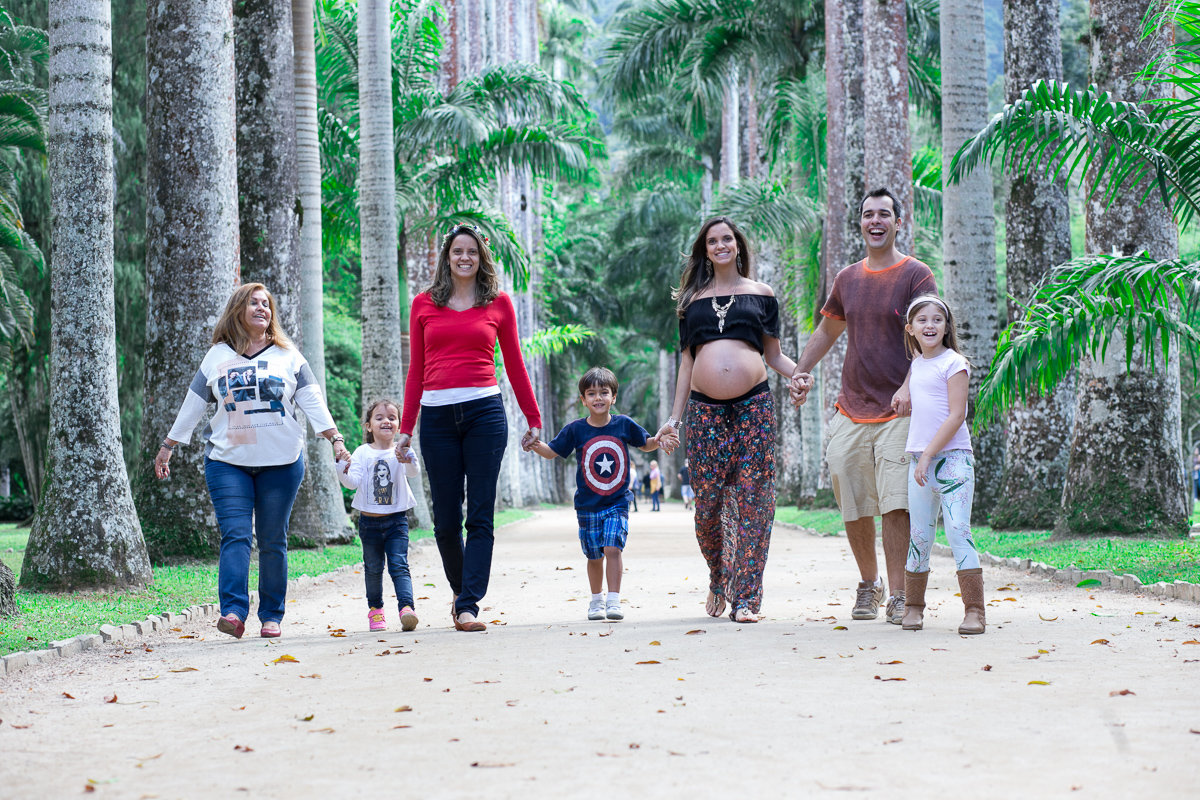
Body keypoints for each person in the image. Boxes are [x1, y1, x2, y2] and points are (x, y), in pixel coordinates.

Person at [154, 284, 350, 640]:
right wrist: (168, 445)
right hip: (228, 462)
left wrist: (335, 440)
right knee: (237, 535)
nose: (262, 309)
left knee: (273, 539)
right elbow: (194, 404)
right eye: (253, 303)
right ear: (238, 310)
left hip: (282, 463)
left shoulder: (288, 356)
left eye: (266, 304)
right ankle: (233, 611)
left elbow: (313, 401)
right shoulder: (217, 356)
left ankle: (271, 615)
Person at [792, 188, 938, 625]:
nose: (876, 221)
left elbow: (929, 336)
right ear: (860, 223)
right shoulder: (847, 279)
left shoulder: (916, 274)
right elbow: (827, 330)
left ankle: (898, 595)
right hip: (851, 407)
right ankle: (868, 584)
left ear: (898, 222)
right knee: (851, 497)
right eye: (868, 214)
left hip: (900, 408)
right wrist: (800, 371)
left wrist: (911, 384)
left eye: (884, 214)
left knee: (896, 502)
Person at [657, 217, 803, 623]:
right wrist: (674, 418)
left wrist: (799, 373)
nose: (720, 245)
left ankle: (747, 599)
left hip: (754, 406)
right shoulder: (691, 301)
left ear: (738, 246)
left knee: (756, 501)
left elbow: (773, 356)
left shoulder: (762, 294)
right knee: (707, 506)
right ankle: (719, 574)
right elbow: (687, 363)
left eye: (727, 239)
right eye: (712, 241)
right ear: (705, 250)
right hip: (704, 412)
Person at [396, 224, 540, 633]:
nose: (464, 257)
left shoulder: (498, 304)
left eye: (471, 252)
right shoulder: (424, 304)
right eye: (457, 251)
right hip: (437, 418)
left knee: (479, 515)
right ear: (447, 256)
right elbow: (416, 372)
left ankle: (468, 605)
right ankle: (462, 592)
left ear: (481, 258)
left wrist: (533, 418)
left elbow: (514, 364)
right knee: (444, 519)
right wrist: (407, 427)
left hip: (485, 415)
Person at [526, 367, 665, 621]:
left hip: (617, 502)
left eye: (604, 392)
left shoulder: (624, 424)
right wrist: (534, 444)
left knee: (613, 548)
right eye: (591, 393)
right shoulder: (575, 430)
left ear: (614, 397)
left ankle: (613, 600)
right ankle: (596, 601)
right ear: (583, 400)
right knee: (593, 555)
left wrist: (660, 438)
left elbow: (646, 444)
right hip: (588, 505)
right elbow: (551, 452)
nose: (598, 398)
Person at [899, 296, 984, 634]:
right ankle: (913, 608)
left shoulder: (955, 363)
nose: (930, 325)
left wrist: (929, 455)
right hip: (919, 463)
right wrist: (901, 392)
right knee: (919, 535)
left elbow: (957, 414)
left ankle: (975, 611)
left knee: (957, 531)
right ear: (911, 328)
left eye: (937, 319)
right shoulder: (917, 364)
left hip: (952, 462)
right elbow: (913, 385)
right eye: (922, 320)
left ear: (947, 327)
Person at [340, 398, 421, 633]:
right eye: (379, 417)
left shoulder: (403, 450)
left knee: (399, 564)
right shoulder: (362, 452)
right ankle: (376, 611)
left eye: (392, 417)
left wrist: (407, 460)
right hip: (369, 523)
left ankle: (407, 609)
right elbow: (352, 482)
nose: (386, 421)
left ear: (398, 425)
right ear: (369, 426)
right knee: (373, 568)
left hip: (397, 521)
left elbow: (412, 473)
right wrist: (340, 469)